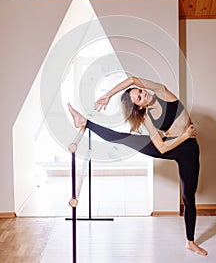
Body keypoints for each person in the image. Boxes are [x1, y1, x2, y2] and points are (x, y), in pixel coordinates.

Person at [68, 76, 208, 256]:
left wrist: (109, 95)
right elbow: (163, 148)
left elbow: (132, 79)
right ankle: (85, 123)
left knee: (189, 196)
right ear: (139, 107)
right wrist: (185, 135)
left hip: (189, 150)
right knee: (125, 139)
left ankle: (190, 242)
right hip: (173, 145)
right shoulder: (148, 118)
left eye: (141, 91)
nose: (144, 94)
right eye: (139, 98)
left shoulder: (163, 93)